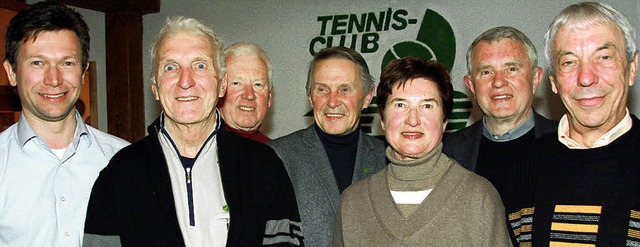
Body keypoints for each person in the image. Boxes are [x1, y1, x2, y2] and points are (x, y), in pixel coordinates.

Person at [83, 16, 303, 246]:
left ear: (222, 84)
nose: (185, 81)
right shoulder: (120, 173)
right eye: (170, 67)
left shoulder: (264, 167)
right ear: (155, 88)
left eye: (200, 65)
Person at [333, 57, 510, 246]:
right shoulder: (352, 203)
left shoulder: (480, 198)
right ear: (382, 120)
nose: (413, 119)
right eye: (400, 105)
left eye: (427, 106)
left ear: (444, 121)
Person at [504, 2, 640, 246]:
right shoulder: (524, 169)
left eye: (604, 57)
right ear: (554, 81)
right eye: (569, 62)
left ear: (632, 68)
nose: (586, 77)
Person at [0, 2, 129, 246]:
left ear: (83, 72)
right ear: (12, 72)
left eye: (67, 63)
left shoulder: (124, 161)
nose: (54, 79)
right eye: (37, 63)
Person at [268, 46, 387, 246]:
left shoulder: (389, 160)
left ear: (367, 97)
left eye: (345, 89)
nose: (332, 102)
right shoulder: (276, 157)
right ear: (309, 97)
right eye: (322, 89)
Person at [442, 26, 557, 194]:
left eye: (511, 69)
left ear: (535, 78)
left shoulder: (569, 142)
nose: (498, 82)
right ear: (471, 86)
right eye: (486, 72)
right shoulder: (446, 153)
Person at [218, 41, 273, 143]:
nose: (249, 95)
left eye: (258, 84)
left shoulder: (279, 155)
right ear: (219, 91)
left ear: (269, 98)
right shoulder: (196, 149)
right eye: (236, 83)